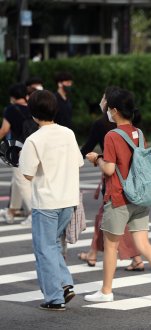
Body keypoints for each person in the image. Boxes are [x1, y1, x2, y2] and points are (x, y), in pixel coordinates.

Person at [84, 88, 151, 304]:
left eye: (108, 108)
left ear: (114, 110)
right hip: (139, 195)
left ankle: (106, 291)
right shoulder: (139, 133)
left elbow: (109, 169)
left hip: (118, 196)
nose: (107, 111)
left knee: (111, 246)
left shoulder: (112, 135)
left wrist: (95, 159)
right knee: (144, 244)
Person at [19, 90, 83, 311]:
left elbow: (27, 174)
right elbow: (78, 162)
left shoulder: (33, 139)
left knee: (44, 248)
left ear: (33, 113)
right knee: (54, 244)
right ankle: (65, 284)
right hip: (69, 199)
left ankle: (54, 297)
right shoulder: (68, 133)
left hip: (47, 201)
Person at [77, 87, 144, 271]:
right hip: (133, 181)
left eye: (103, 99)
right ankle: (93, 252)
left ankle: (136, 258)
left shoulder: (104, 127)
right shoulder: (135, 129)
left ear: (111, 106)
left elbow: (103, 162)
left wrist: (94, 158)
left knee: (112, 220)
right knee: (107, 218)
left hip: (115, 182)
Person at [0, 83, 33, 225]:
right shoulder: (32, 108)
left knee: (22, 181)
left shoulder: (10, 109)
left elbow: (4, 129)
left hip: (17, 150)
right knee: (17, 180)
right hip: (33, 147)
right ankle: (11, 210)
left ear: (12, 97)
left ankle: (33, 213)